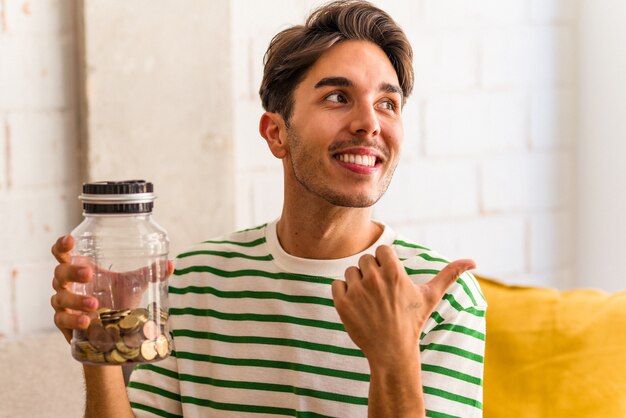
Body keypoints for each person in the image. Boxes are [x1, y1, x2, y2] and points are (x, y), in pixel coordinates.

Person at [50, 1, 486, 417]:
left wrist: (395, 359)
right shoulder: (191, 284)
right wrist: (99, 348)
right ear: (276, 133)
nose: (369, 122)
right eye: (337, 97)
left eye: (387, 104)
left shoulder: (439, 298)